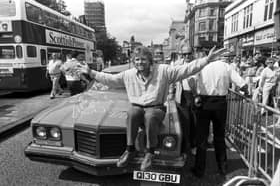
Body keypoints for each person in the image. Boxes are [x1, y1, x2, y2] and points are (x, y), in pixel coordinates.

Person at [77, 45, 227, 171]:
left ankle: (150, 152)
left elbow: (186, 69)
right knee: (132, 112)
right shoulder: (129, 74)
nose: (140, 62)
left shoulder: (164, 71)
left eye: (143, 59)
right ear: (134, 62)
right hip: (138, 107)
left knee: (150, 116)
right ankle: (129, 150)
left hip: (156, 109)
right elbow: (110, 79)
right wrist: (91, 72)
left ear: (150, 61)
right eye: (137, 59)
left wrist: (206, 60)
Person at [190, 59, 248, 178]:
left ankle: (199, 170)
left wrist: (195, 94)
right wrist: (247, 92)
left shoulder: (201, 64)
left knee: (202, 137)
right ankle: (222, 167)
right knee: (219, 137)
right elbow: (241, 83)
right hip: (220, 103)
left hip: (203, 101)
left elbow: (191, 80)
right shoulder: (225, 66)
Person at [174, 45, 197, 155]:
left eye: (189, 53)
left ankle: (193, 145)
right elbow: (172, 78)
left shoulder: (198, 63)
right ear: (181, 55)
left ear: (192, 53)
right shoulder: (178, 64)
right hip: (181, 95)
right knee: (183, 123)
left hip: (195, 95)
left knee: (194, 122)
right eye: (184, 54)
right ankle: (183, 147)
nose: (187, 56)